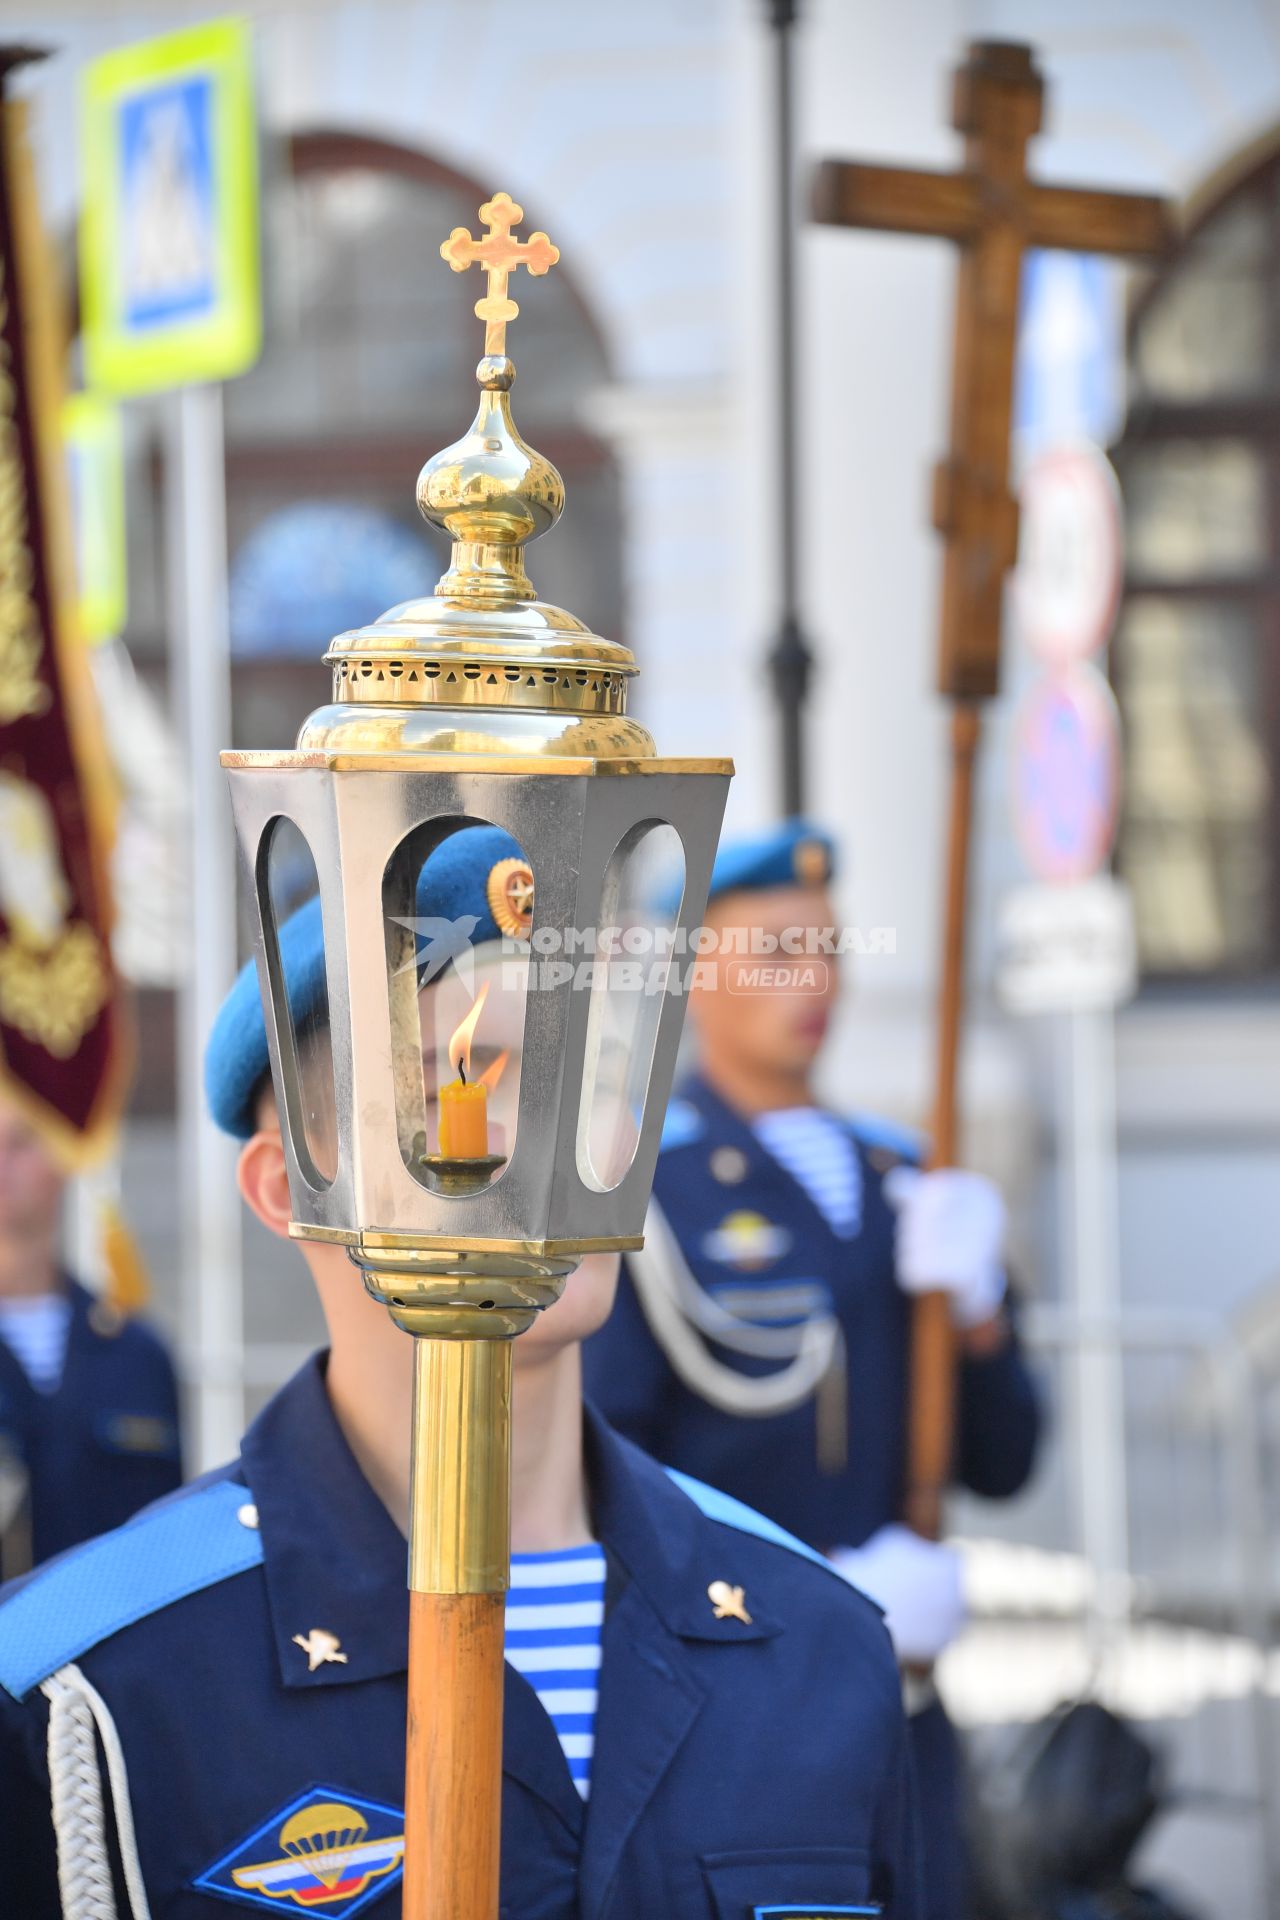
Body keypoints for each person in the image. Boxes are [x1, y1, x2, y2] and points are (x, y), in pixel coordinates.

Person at [0, 827, 923, 1919]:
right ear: (288, 1185)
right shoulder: (92, 1683)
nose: (557, 1146)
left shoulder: (816, 1643)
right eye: (468, 1079)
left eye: (588, 1079)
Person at [583, 819, 1042, 1920]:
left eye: (827, 949)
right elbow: (612, 1467)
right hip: (735, 1691)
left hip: (903, 1703)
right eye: (777, 951)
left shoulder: (901, 1173)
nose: (814, 981)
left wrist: (978, 1317)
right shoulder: (645, 1187)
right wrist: (822, 1593)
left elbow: (1009, 1453)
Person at [0, 1097, 181, 1575]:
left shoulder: (136, 1355)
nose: (1, 1162)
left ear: (64, 1157)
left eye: (21, 1143)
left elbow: (162, 1537)